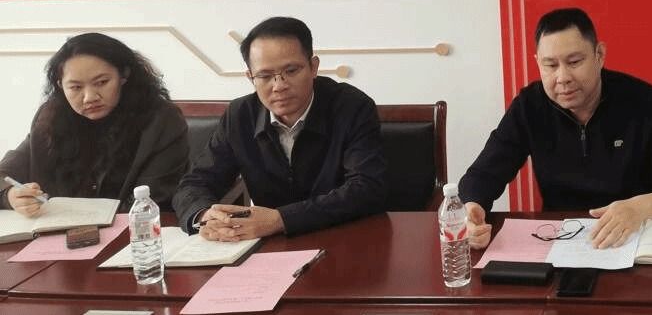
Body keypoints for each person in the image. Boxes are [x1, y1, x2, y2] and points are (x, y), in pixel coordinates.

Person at [459, 7, 652, 249]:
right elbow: (482, 175)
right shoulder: (529, 106)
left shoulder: (644, 101)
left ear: (599, 55)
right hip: (561, 242)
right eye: (550, 65)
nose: (563, 77)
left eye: (574, 62)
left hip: (635, 239)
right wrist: (472, 210)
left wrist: (639, 208)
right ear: (538, 63)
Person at [173, 16, 387, 240]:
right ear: (250, 77)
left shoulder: (352, 107)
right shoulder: (240, 115)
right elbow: (195, 183)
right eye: (265, 76)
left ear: (313, 67)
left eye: (291, 71)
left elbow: (367, 188)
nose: (279, 85)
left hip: (344, 239)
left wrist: (281, 220)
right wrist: (206, 216)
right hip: (271, 247)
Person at [0, 33, 188, 214]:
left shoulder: (161, 120)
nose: (89, 97)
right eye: (76, 87)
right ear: (60, 85)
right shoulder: (50, 117)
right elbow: (5, 174)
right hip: (56, 231)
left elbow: (153, 200)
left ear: (124, 75)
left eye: (102, 82)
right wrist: (11, 196)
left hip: (131, 231)